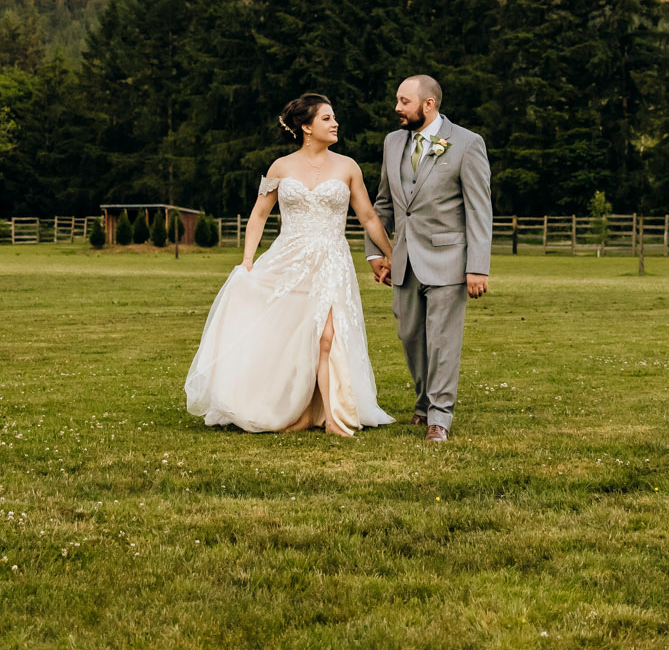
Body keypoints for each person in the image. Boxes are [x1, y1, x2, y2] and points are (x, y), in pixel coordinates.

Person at [184, 94, 395, 435]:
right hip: (289, 260)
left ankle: (331, 415)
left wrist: (391, 254)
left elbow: (368, 216)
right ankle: (298, 410)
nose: (335, 123)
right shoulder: (281, 167)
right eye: (327, 118)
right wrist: (248, 261)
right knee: (294, 336)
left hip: (331, 260)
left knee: (328, 335)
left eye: (334, 118)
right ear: (306, 127)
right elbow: (259, 214)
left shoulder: (348, 166)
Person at [364, 74, 490, 442]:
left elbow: (479, 210)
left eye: (404, 101)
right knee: (409, 335)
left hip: (449, 259)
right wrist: (375, 252)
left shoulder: (467, 143)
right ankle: (423, 402)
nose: (397, 108)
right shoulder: (392, 143)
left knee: (441, 340)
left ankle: (440, 417)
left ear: (428, 104)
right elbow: (384, 202)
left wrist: (477, 266)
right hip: (403, 260)